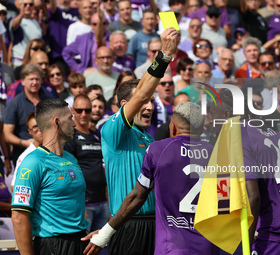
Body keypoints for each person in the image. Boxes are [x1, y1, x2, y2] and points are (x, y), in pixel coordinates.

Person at [81, 27, 178, 255]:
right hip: (128, 226)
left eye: (152, 101)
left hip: (155, 224)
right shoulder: (113, 129)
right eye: (143, 101)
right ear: (125, 104)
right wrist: (163, 57)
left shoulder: (149, 138)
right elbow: (142, 93)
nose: (149, 105)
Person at [83, 102, 219, 255]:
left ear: (173, 127)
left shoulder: (158, 150)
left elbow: (137, 197)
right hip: (209, 245)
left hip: (173, 246)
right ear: (201, 129)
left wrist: (105, 233)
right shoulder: (216, 153)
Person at [209, 90, 280, 254]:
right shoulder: (276, 134)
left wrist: (246, 246)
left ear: (226, 114)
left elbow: (253, 196)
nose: (212, 122)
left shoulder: (239, 136)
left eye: (213, 116)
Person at [11, 98, 88, 254]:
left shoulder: (71, 158)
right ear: (57, 122)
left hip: (80, 242)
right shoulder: (32, 163)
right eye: (70, 118)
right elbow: (19, 217)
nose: (74, 124)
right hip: (53, 246)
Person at [65, 95, 110, 233]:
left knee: (100, 247)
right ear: (72, 111)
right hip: (84, 204)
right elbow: (69, 171)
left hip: (103, 202)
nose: (83, 114)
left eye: (87, 110)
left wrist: (109, 199)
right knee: (83, 247)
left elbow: (103, 167)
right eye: (79, 110)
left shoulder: (97, 136)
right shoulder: (70, 137)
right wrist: (79, 204)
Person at [4, 64, 49, 165]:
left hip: (49, 155)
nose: (34, 82)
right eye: (31, 79)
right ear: (23, 81)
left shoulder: (49, 101)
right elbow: (6, 134)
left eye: (37, 79)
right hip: (25, 157)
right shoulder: (14, 103)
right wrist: (25, 143)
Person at [10, 111, 43, 192]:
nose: (39, 130)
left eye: (41, 125)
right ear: (29, 131)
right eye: (35, 127)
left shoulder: (58, 150)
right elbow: (14, 187)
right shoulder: (25, 157)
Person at [10, 0, 42, 67]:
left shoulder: (36, 22)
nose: (28, 6)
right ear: (20, 5)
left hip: (33, 62)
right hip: (19, 62)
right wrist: (22, 13)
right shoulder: (15, 19)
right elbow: (14, 25)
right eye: (25, 4)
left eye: (30, 4)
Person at [147, 73, 174, 138]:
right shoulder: (151, 104)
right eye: (163, 83)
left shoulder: (179, 103)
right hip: (154, 143)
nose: (167, 85)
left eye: (170, 83)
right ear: (156, 87)